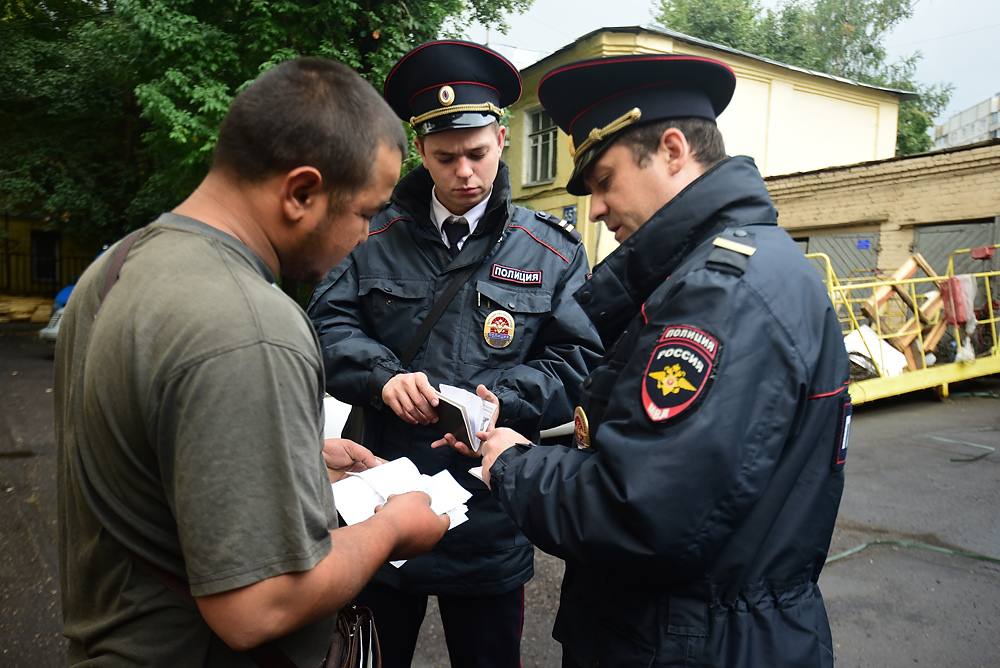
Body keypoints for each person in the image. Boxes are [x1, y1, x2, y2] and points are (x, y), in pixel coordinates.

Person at [54, 57, 450, 667]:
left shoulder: (115, 271)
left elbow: (143, 450)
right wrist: (394, 528)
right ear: (301, 192)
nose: (367, 238)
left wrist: (290, 456)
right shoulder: (252, 323)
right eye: (365, 214)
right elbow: (256, 607)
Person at [461, 54, 852, 667]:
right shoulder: (734, 272)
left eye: (604, 180)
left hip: (690, 642)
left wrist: (512, 465)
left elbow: (639, 510)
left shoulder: (717, 294)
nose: (593, 209)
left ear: (672, 151)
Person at [307, 40, 604, 668]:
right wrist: (382, 377)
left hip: (491, 509)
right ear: (422, 151)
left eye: (477, 153)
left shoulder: (550, 250)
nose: (465, 172)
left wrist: (506, 398)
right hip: (382, 501)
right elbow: (324, 329)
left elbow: (580, 358)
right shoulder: (371, 236)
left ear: (501, 138)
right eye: (446, 158)